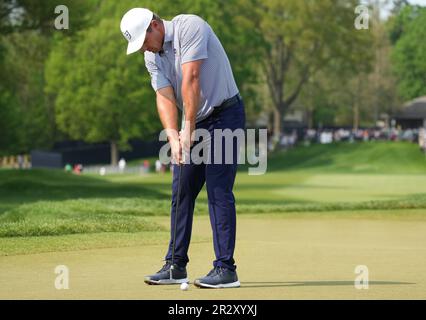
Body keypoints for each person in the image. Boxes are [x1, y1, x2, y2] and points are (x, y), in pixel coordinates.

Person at [120, 8, 245, 288]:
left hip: (225, 114)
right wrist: (174, 137)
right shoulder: (151, 56)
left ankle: (226, 269)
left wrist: (188, 128)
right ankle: (176, 265)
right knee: (181, 189)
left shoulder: (190, 27)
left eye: (143, 41)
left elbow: (191, 79)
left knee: (218, 190)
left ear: (155, 25)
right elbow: (164, 96)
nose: (142, 49)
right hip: (196, 119)